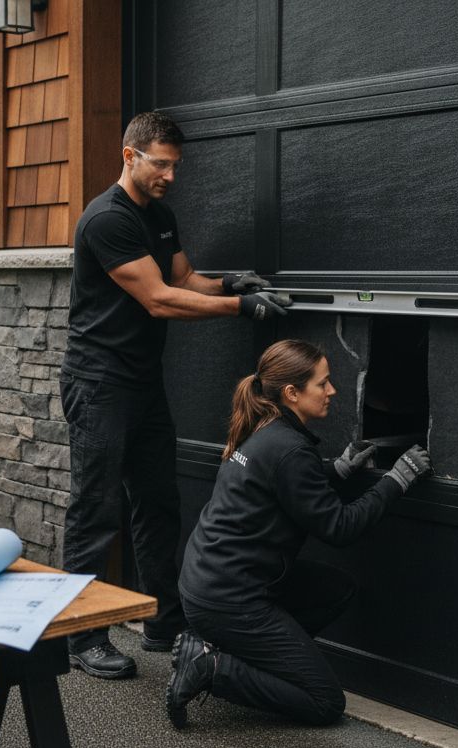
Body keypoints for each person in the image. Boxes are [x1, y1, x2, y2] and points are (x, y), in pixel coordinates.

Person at [60, 111, 293, 679]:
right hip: (99, 384)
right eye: (160, 164)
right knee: (96, 509)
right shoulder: (107, 219)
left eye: (175, 166)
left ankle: (164, 622)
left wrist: (230, 282)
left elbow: (185, 280)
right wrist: (240, 308)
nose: (170, 176)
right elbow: (159, 299)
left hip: (141, 382)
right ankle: (81, 637)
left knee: (158, 503)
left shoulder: (159, 215)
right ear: (130, 156)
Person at [166, 339, 431, 727]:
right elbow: (340, 528)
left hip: (211, 583)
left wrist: (337, 470)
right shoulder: (289, 447)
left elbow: (286, 484)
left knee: (336, 588)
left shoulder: (267, 429)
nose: (332, 391)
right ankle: (213, 667)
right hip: (230, 598)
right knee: (325, 702)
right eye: (322, 383)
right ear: (292, 393)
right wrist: (397, 480)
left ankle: (244, 657)